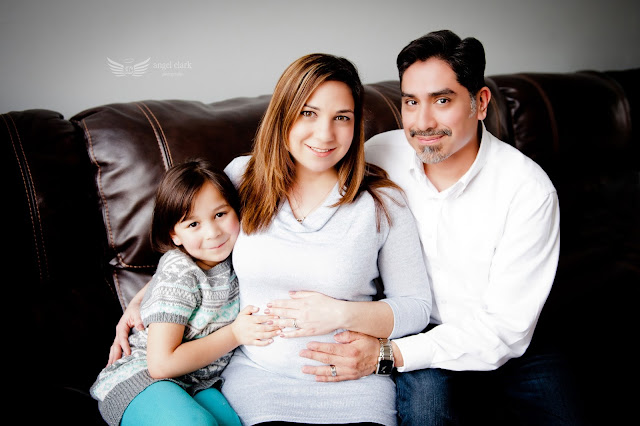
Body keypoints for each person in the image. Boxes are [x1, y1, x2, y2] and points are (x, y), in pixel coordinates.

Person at [110, 53, 431, 425]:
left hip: (351, 384)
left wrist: (342, 313)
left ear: (356, 124)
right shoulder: (243, 177)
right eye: (308, 113)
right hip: (257, 380)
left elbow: (416, 307)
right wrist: (143, 298)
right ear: (283, 115)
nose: (325, 134)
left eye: (341, 117)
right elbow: (199, 244)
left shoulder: (381, 203)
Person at [294, 30, 581, 424]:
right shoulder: (377, 156)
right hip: (409, 329)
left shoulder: (528, 191)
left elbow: (505, 329)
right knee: (428, 412)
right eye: (411, 102)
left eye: (442, 100)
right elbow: (303, 185)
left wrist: (386, 355)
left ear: (480, 103)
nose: (423, 122)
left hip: (506, 339)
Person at [90, 159, 281, 426]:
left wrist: (138, 300)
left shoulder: (236, 256)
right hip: (141, 378)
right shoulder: (180, 269)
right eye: (193, 224)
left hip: (196, 382)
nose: (213, 233)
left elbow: (163, 279)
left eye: (220, 214)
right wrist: (235, 334)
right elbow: (161, 364)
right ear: (174, 235)